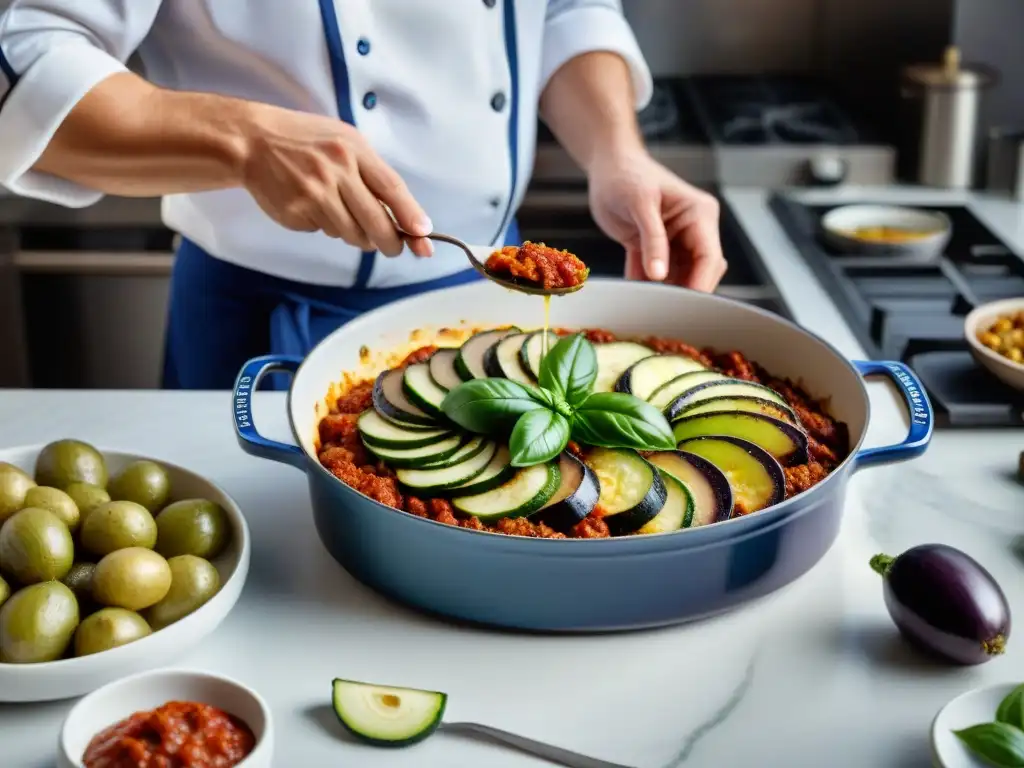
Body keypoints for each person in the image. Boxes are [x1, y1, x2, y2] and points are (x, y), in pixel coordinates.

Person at [0, 1, 726, 389]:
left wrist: (615, 152)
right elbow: (27, 55)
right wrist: (246, 142)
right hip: (258, 324)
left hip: (492, 304)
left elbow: (567, 9)